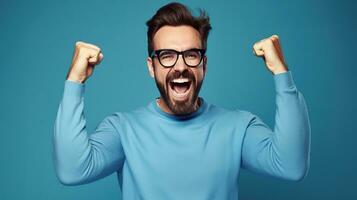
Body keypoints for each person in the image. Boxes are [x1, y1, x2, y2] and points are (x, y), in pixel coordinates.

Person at [53, 2, 311, 199]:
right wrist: (75, 81)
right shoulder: (123, 130)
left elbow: (291, 165)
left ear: (204, 65)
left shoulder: (238, 127)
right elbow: (72, 170)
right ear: (151, 67)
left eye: (191, 54)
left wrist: (281, 73)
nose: (180, 66)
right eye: (167, 55)